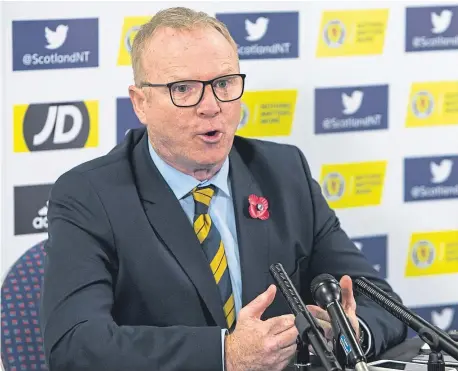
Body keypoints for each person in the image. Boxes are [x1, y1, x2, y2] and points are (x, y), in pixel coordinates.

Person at [40, 6, 407, 371]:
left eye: (224, 83)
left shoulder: (284, 172)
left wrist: (348, 333)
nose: (211, 106)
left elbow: (381, 304)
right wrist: (224, 355)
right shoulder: (90, 194)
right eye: (183, 88)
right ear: (141, 104)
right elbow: (75, 345)